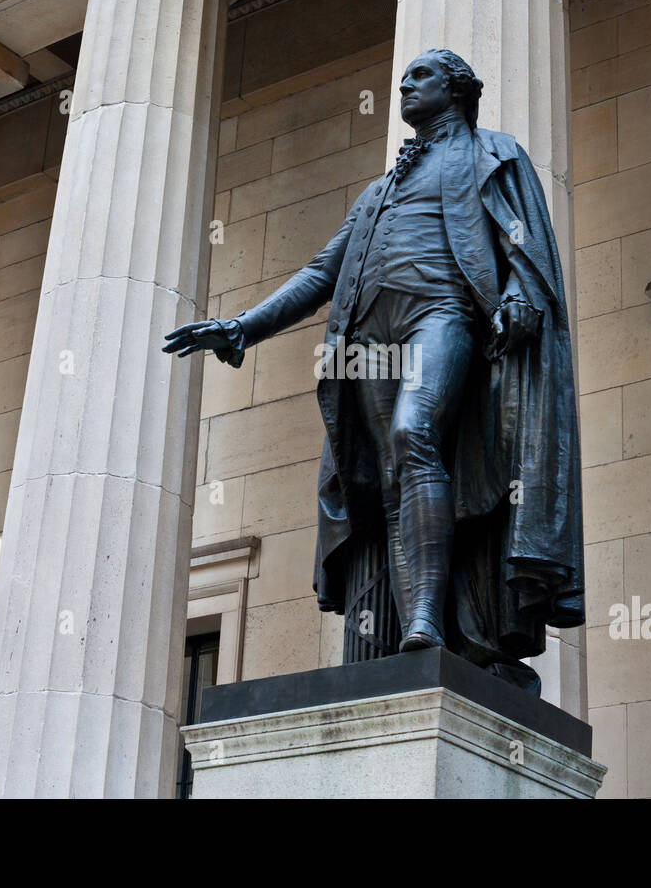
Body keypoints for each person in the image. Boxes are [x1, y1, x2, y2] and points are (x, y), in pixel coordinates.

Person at [165, 49, 583, 694]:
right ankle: (417, 628)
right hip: (369, 338)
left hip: (443, 313)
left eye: (421, 76)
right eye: (404, 78)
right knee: (391, 479)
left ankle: (424, 617)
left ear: (458, 90)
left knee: (413, 435)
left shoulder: (493, 154)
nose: (404, 86)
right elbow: (320, 273)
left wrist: (522, 294)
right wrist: (244, 326)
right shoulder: (378, 192)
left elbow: (524, 241)